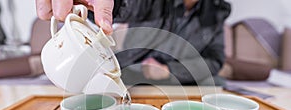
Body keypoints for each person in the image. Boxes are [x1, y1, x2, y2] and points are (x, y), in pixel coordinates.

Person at [36, 0, 231, 86]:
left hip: (179, 84)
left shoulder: (216, 11)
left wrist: (169, 70)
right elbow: (126, 5)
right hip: (132, 75)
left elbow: (214, 60)